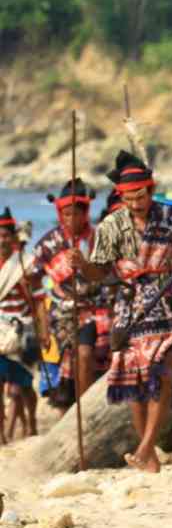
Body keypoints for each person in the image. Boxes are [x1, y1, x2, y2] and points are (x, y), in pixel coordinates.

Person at [73, 151, 172, 473]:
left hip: (164, 304)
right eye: (129, 197)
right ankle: (148, 457)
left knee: (162, 375)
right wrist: (82, 265)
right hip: (127, 305)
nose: (137, 203)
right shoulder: (111, 225)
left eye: (141, 195)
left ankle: (145, 446)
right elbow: (100, 273)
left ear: (151, 190)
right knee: (135, 385)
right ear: (121, 196)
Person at [31, 179, 113, 409]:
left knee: (88, 355)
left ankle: (85, 408)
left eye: (76, 214)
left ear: (85, 212)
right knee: (72, 363)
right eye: (65, 214)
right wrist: (41, 323)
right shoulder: (48, 243)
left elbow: (108, 274)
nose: (71, 219)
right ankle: (74, 409)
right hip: (62, 312)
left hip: (98, 308)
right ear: (59, 213)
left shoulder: (99, 238)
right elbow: (34, 284)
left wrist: (84, 265)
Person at [0, 208, 42, 443]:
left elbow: (37, 299)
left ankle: (32, 423)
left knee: (22, 385)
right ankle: (2, 434)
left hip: (22, 329)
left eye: (6, 235)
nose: (2, 240)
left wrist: (43, 332)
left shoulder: (24, 264)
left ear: (13, 238)